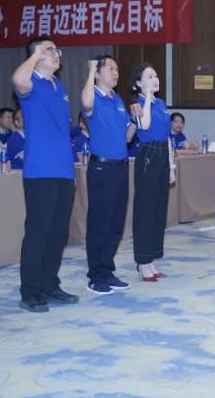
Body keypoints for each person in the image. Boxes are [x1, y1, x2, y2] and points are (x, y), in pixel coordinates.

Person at [11, 36, 78, 313]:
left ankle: (50, 285)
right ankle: (30, 292)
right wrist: (35, 55)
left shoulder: (58, 86)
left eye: (55, 50)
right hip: (40, 170)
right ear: (36, 56)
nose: (55, 54)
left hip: (64, 169)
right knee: (38, 232)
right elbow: (18, 79)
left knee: (58, 233)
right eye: (48, 50)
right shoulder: (30, 83)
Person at [81, 55, 141, 295]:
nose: (115, 72)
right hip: (102, 169)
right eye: (110, 68)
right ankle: (95, 276)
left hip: (121, 168)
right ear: (97, 72)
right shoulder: (92, 95)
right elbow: (86, 104)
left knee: (116, 224)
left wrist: (135, 120)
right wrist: (90, 71)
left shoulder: (117, 99)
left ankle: (107, 271)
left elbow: (128, 137)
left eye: (117, 69)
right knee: (100, 223)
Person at [131, 63, 176, 281]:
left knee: (158, 211)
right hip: (147, 155)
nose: (155, 79)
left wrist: (171, 166)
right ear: (138, 83)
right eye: (149, 76)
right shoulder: (137, 104)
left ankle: (151, 259)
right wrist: (147, 98)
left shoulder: (161, 103)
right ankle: (142, 261)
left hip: (162, 156)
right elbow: (145, 126)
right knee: (145, 211)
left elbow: (167, 136)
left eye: (156, 75)